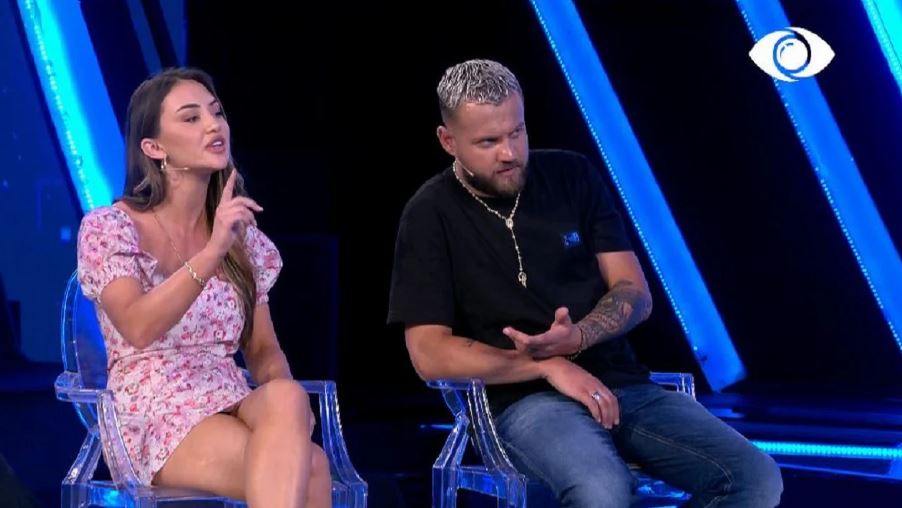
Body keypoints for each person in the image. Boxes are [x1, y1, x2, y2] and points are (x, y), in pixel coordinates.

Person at [387, 59, 783, 507]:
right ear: (448, 141)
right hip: (520, 403)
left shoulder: (572, 176)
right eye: (488, 142)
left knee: (754, 477)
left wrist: (579, 336)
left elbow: (634, 292)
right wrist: (545, 365)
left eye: (517, 132)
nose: (509, 153)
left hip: (622, 386)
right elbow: (429, 354)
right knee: (602, 490)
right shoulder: (429, 213)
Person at [76, 67, 331, 507]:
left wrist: (291, 416)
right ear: (154, 148)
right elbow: (137, 326)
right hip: (154, 409)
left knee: (289, 397)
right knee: (311, 467)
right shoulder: (110, 228)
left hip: (228, 393)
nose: (214, 125)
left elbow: (263, 350)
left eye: (217, 113)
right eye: (191, 118)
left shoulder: (241, 239)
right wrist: (212, 252)